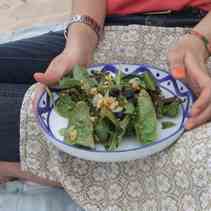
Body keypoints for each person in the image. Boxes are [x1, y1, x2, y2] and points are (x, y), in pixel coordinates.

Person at [0, 0, 211, 190]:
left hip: (195, 32)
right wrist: (78, 45)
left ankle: (24, 169)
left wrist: (200, 40)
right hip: (103, 30)